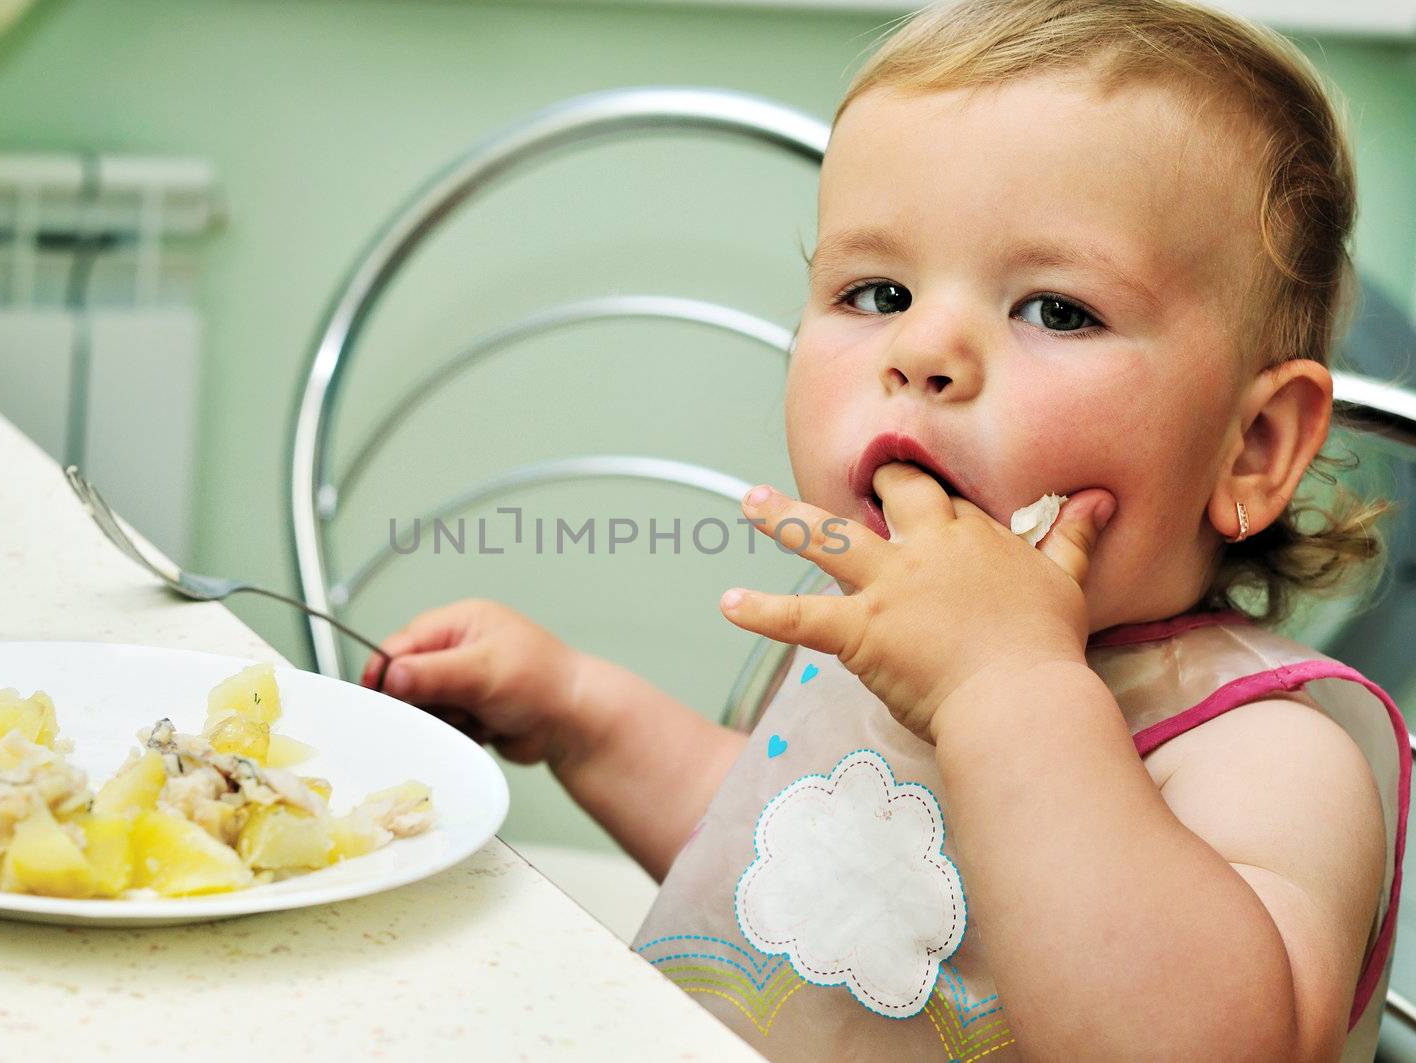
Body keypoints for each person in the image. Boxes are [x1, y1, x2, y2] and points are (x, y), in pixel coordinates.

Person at [360, 0, 1410, 1057]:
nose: (921, 351)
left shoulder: (1269, 759)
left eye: (1054, 309)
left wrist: (1007, 687)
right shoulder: (871, 639)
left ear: (1253, 447)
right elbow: (791, 887)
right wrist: (580, 713)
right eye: (875, 292)